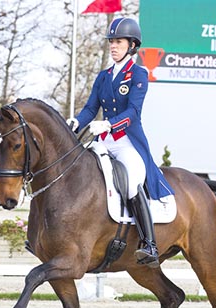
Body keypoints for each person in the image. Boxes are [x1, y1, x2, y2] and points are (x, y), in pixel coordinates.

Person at [66, 17, 174, 268]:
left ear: (132, 45)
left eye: (118, 42)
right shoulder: (103, 77)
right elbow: (91, 108)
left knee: (132, 184)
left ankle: (149, 243)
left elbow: (134, 111)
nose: (113, 46)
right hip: (103, 142)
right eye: (111, 42)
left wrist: (110, 124)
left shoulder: (138, 74)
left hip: (127, 142)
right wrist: (75, 122)